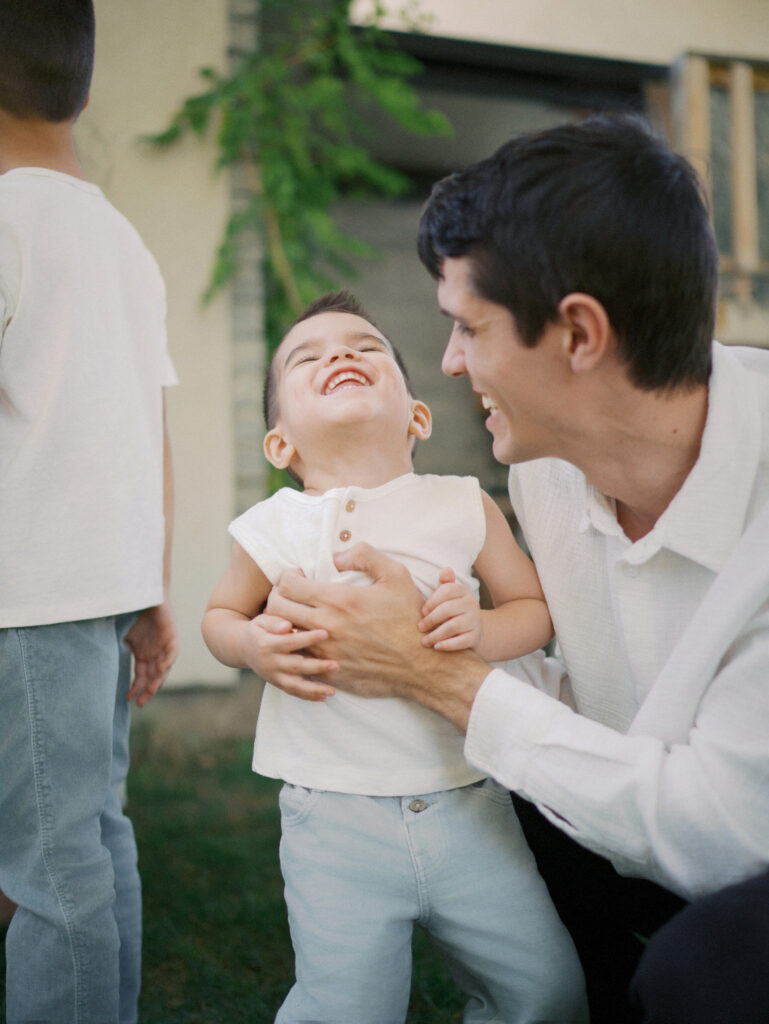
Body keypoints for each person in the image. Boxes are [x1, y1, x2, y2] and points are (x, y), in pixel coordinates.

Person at [259, 115, 769, 1023]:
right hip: (636, 800)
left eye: (468, 329)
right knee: (507, 791)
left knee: (710, 973)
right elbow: (564, 678)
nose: (448, 365)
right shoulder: (541, 463)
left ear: (578, 335)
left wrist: (432, 672)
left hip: (736, 843)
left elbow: (719, 836)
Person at [202, 291, 588, 1023]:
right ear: (280, 444)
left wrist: (476, 627)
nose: (340, 355)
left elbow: (532, 614)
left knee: (544, 990)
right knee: (344, 1004)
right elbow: (220, 616)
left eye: (365, 346)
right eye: (307, 357)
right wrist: (252, 645)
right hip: (333, 819)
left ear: (417, 415)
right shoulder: (272, 526)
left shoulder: (460, 503)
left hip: (467, 802)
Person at [0, 2, 178, 1021]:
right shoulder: (122, 240)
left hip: (29, 603)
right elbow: (149, 429)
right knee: (97, 833)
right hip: (106, 592)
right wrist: (153, 590)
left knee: (49, 870)